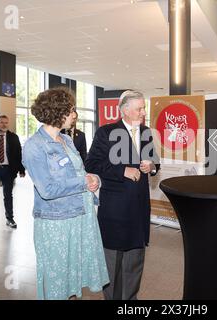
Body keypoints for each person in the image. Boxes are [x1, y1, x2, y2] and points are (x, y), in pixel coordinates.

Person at [22, 87, 109, 300]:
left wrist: (94, 179)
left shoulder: (67, 140)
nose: (74, 115)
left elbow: (80, 172)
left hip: (80, 216)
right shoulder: (34, 146)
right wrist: (82, 182)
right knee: (56, 280)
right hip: (56, 222)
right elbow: (48, 189)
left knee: (72, 277)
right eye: (71, 110)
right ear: (57, 112)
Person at [85, 90, 160, 300]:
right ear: (125, 110)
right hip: (115, 210)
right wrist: (122, 170)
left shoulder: (145, 132)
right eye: (139, 108)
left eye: (143, 108)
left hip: (139, 208)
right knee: (112, 261)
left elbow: (156, 162)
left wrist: (151, 166)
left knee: (135, 260)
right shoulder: (106, 132)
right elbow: (92, 163)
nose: (143, 113)